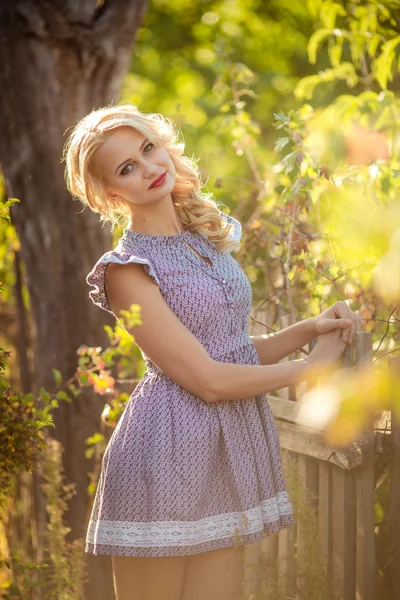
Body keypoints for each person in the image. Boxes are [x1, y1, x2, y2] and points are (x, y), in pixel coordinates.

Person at [63, 104, 362, 600]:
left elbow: (232, 352)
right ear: (111, 193)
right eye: (127, 168)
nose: (150, 168)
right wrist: (310, 365)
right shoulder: (127, 269)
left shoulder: (204, 238)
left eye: (147, 149)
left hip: (225, 455)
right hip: (163, 456)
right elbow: (208, 379)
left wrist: (309, 328)